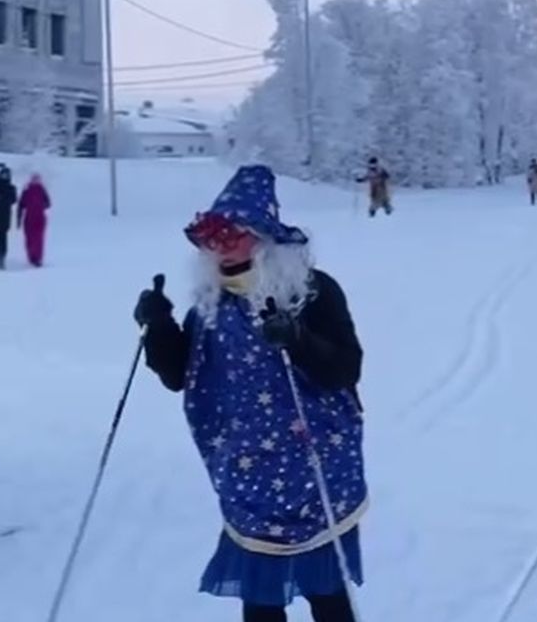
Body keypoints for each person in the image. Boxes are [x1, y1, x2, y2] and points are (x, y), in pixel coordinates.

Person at [135, 165, 366, 622]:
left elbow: (345, 369)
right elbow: (182, 375)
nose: (223, 246)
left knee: (328, 594)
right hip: (249, 474)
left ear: (265, 236)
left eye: (236, 234)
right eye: (214, 236)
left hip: (314, 467)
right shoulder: (211, 303)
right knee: (261, 601)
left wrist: (298, 338)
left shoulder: (312, 292)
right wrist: (159, 328)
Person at [17, 173, 51, 267]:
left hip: (36, 218)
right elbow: (48, 203)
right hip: (33, 217)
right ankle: (34, 258)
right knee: (35, 239)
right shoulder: (31, 190)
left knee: (34, 239)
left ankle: (35, 258)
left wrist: (19, 219)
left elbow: (21, 205)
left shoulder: (33, 190)